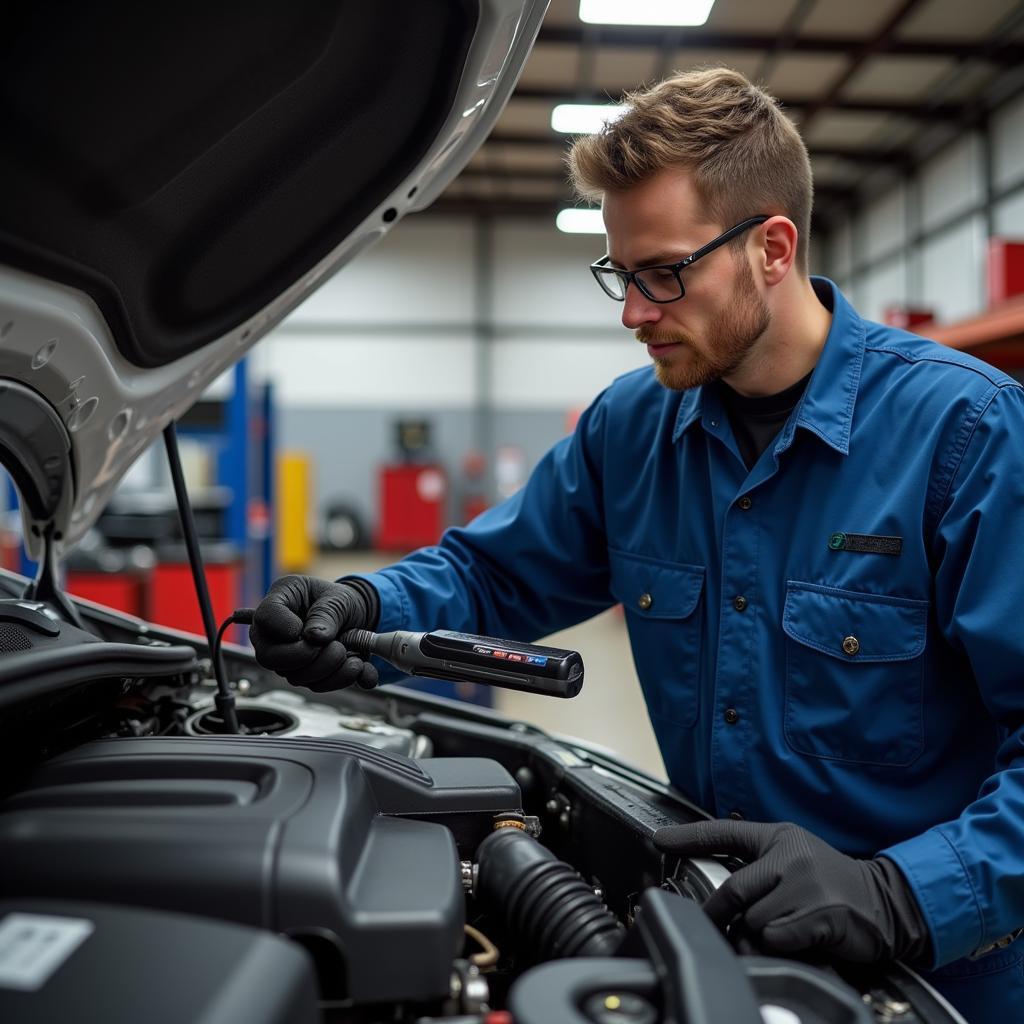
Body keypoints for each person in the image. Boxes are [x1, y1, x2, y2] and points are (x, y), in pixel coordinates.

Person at [250, 68, 1024, 1019]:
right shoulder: (633, 432)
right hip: (719, 953)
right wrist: (364, 608)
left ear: (772, 248)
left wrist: (901, 894)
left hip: (936, 980)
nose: (633, 312)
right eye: (622, 275)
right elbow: (495, 571)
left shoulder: (967, 438)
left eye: (664, 273)